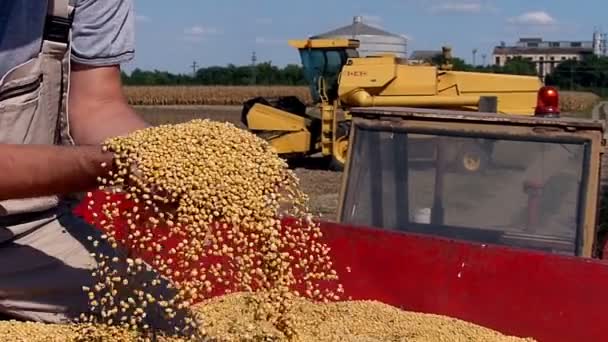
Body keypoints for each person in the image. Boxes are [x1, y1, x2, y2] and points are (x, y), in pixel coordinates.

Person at [0, 0, 189, 333]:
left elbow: (97, 104)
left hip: (28, 226)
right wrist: (107, 166)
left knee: (158, 315)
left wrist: (165, 160)